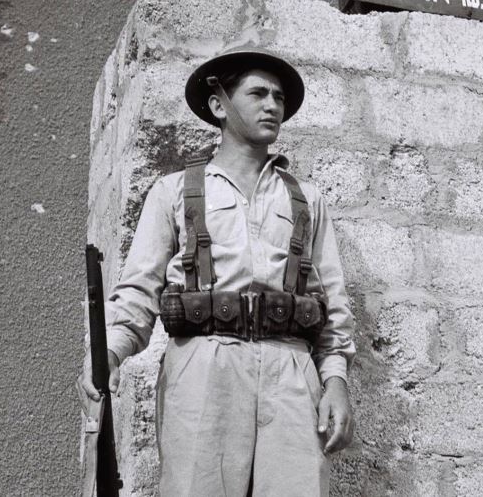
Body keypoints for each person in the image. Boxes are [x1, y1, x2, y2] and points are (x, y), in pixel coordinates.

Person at [78, 47, 356, 496]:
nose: (272, 105)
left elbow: (333, 308)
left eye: (279, 98)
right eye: (258, 93)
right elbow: (138, 293)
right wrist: (106, 356)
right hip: (203, 367)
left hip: (290, 370)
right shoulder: (174, 192)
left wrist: (336, 382)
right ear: (218, 105)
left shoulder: (306, 199)